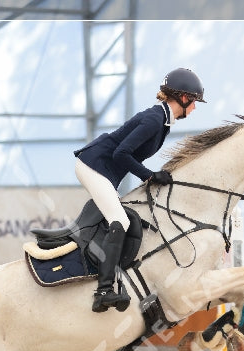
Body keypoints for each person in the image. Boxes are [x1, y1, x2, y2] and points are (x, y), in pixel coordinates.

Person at [73, 67, 205, 312]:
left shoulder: (162, 119)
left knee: (123, 217)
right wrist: (150, 176)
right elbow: (120, 153)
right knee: (119, 222)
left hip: (103, 169)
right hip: (93, 165)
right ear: (184, 98)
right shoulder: (155, 119)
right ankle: (103, 291)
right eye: (195, 101)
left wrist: (149, 177)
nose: (195, 108)